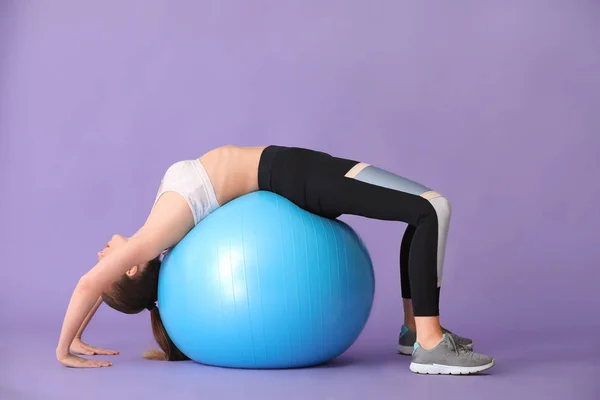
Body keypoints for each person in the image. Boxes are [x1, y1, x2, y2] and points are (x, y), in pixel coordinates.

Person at [56, 145, 495, 375]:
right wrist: (65, 349)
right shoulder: (153, 238)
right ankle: (431, 345)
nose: (100, 255)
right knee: (431, 208)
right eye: (105, 262)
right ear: (131, 268)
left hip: (290, 171)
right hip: (291, 175)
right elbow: (90, 284)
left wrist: (81, 333)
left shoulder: (156, 231)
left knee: (420, 213)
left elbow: (104, 287)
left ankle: (414, 330)